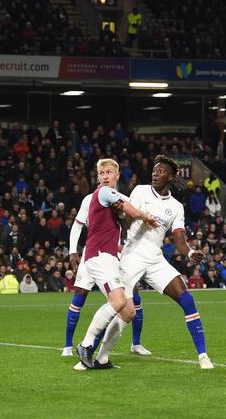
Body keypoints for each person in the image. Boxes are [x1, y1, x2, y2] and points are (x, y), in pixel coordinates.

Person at [90, 156, 211, 370]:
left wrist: (190, 252)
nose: (155, 173)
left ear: (171, 176)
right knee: (124, 312)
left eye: (161, 171)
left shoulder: (175, 207)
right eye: (154, 170)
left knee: (187, 299)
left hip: (155, 259)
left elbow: (179, 240)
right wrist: (135, 215)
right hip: (132, 257)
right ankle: (99, 356)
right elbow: (126, 221)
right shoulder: (140, 191)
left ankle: (203, 356)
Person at [75, 158, 157, 370]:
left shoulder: (115, 198)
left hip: (112, 258)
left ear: (117, 175)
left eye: (108, 172)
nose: (104, 176)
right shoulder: (103, 192)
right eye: (101, 173)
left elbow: (126, 217)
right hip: (99, 256)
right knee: (118, 300)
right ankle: (85, 345)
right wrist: (145, 216)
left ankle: (102, 357)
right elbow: (132, 210)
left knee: (128, 311)